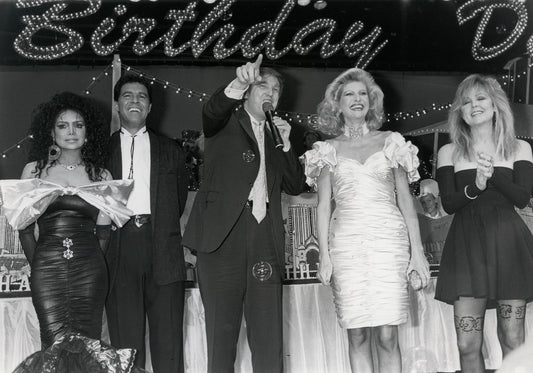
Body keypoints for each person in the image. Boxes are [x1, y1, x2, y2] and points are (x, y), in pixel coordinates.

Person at [182, 54, 306, 373]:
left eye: (277, 89)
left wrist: (289, 145)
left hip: (265, 238)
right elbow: (211, 112)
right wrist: (236, 83)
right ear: (248, 91)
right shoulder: (224, 122)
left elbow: (295, 185)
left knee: (269, 342)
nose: (271, 93)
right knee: (221, 341)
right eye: (263, 85)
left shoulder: (277, 134)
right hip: (223, 241)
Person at [0, 92, 140, 372]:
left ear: (88, 133)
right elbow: (24, 228)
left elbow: (104, 233)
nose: (71, 131)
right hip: (47, 269)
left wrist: (92, 264)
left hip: (89, 270)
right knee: (52, 347)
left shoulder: (100, 176)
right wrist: (38, 264)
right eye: (63, 126)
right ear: (51, 132)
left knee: (89, 346)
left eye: (78, 125)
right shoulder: (34, 171)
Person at [302, 68, 430, 373]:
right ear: (337, 104)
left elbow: (405, 201)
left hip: (389, 244)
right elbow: (322, 206)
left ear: (371, 102)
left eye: (363, 93)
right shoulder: (325, 151)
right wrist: (324, 257)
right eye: (349, 94)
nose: (357, 99)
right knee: (357, 333)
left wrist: (418, 252)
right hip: (346, 246)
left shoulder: (392, 142)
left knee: (388, 335)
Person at [435, 74, 533, 372]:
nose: (473, 105)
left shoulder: (519, 148)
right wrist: (476, 185)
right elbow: (450, 203)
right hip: (466, 247)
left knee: (512, 337)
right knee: (467, 343)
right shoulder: (448, 151)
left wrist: (493, 173)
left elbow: (522, 198)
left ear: (495, 106)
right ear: (459, 112)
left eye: (480, 98)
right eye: (466, 102)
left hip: (508, 244)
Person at [105, 75, 189, 373]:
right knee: (125, 344)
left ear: (150, 106)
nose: (135, 101)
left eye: (141, 96)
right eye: (127, 96)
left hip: (162, 248)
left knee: (169, 345)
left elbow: (178, 200)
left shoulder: (171, 150)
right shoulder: (100, 150)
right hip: (118, 250)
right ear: (117, 105)